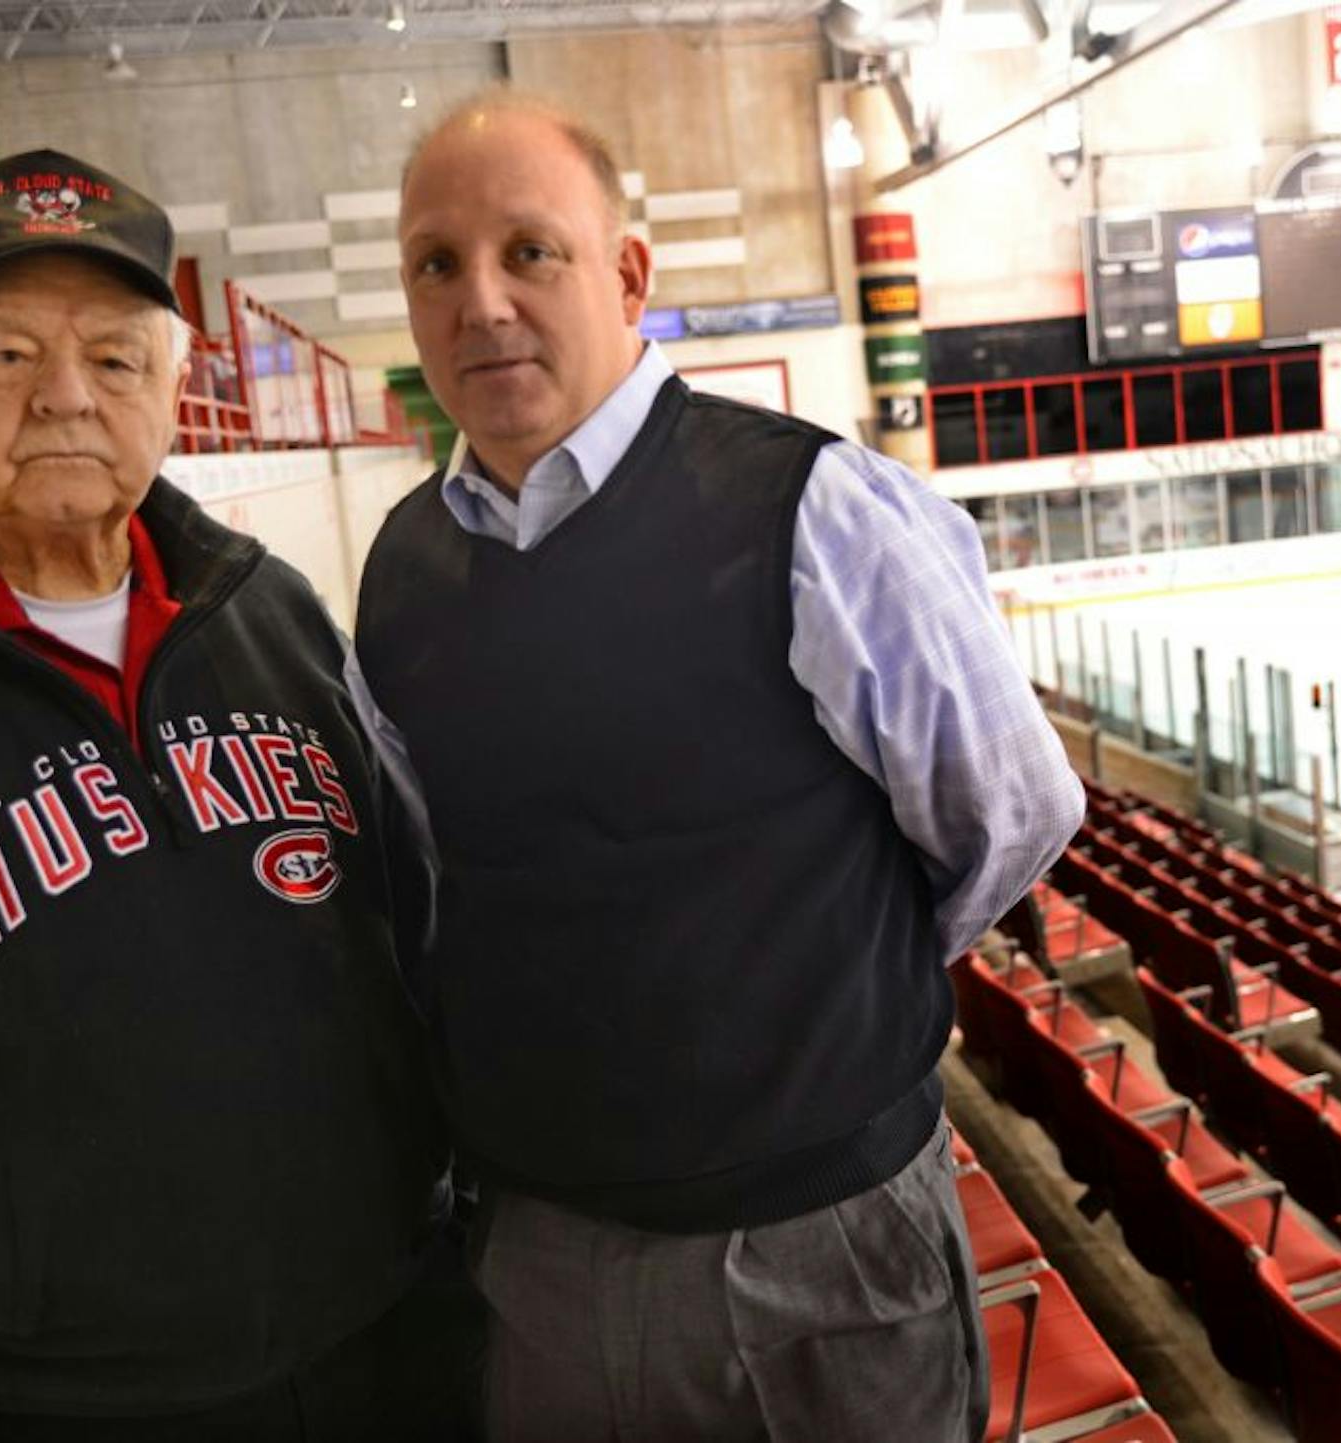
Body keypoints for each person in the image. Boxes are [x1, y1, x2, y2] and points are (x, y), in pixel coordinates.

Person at [355, 92, 1085, 1441]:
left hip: (827, 1251)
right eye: (436, 264)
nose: (483, 302)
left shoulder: (813, 509)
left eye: (532, 251)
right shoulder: (401, 574)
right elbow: (437, 887)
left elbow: (1011, 814)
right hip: (548, 1257)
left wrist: (811, 996)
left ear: (627, 273)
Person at [0, 149, 479, 1441]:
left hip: (389, 1349)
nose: (66, 397)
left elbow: (418, 942)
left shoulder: (277, 617)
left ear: (177, 388)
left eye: (116, 359)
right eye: (9, 355)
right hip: (51, 1406)